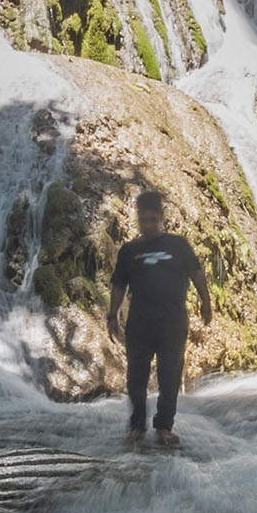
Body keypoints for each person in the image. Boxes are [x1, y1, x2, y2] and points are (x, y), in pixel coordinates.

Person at [107, 188, 214, 449]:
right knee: (136, 377)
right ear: (138, 219)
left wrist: (206, 302)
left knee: (170, 376)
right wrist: (113, 314)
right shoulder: (129, 250)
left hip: (172, 323)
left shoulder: (178, 246)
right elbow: (119, 285)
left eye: (153, 219)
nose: (149, 225)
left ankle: (164, 426)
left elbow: (197, 273)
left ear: (162, 218)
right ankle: (137, 425)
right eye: (144, 220)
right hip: (139, 323)